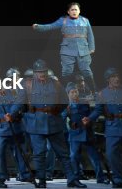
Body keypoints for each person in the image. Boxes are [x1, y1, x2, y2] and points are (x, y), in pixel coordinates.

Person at [22, 59, 74, 189]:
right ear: (34, 73)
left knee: (63, 153)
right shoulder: (27, 85)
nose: (42, 74)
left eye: (44, 71)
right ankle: (42, 180)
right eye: (39, 72)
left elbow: (64, 101)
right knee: (39, 154)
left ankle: (72, 179)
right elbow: (20, 102)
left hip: (54, 122)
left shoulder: (56, 84)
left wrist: (55, 111)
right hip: (35, 124)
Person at [33, 2, 96, 96]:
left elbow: (90, 35)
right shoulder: (63, 20)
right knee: (66, 72)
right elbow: (51, 26)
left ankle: (94, 91)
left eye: (76, 9)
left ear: (79, 11)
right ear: (68, 11)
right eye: (72, 10)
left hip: (83, 50)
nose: (74, 11)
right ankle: (69, 90)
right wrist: (38, 27)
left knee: (87, 71)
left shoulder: (85, 21)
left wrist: (91, 47)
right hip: (67, 50)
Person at [0, 67, 34, 185]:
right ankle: (2, 176)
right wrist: (6, 116)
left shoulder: (21, 92)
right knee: (0, 153)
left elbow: (23, 107)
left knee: (21, 152)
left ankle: (24, 174)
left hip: (17, 126)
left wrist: (13, 114)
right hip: (2, 128)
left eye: (17, 78)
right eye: (12, 79)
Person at [64, 82, 105, 187]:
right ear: (68, 94)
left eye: (75, 91)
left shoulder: (85, 102)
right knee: (74, 156)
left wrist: (90, 120)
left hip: (87, 132)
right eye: (72, 92)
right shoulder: (67, 106)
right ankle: (76, 178)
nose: (74, 94)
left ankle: (100, 177)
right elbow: (62, 118)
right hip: (75, 133)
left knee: (95, 156)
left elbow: (94, 112)